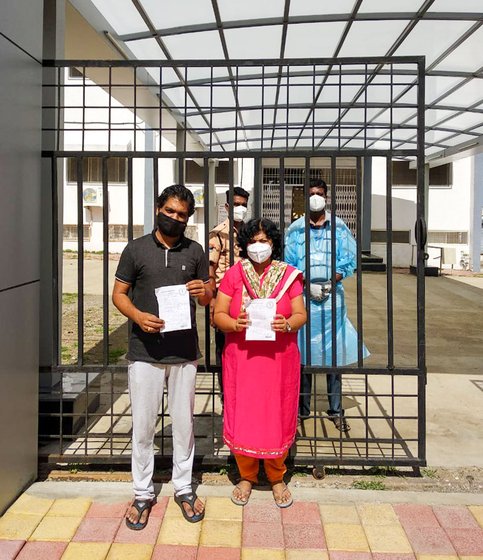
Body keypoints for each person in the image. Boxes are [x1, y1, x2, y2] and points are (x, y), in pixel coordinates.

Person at [112, 184, 213, 529]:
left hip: (184, 353)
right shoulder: (136, 249)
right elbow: (119, 294)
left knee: (184, 425)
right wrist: (138, 316)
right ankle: (142, 493)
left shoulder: (195, 251)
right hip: (144, 352)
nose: (174, 218)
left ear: (189, 218)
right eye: (169, 211)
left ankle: (184, 488)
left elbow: (207, 296)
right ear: (158, 208)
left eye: (182, 215)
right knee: (143, 427)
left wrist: (206, 291)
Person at [214, 218, 307, 508]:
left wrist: (288, 324)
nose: (258, 246)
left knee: (276, 414)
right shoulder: (234, 275)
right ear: (244, 244)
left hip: (279, 359)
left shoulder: (289, 275)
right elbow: (217, 314)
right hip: (242, 359)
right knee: (245, 413)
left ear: (273, 244)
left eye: (265, 240)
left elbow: (300, 315)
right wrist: (234, 321)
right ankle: (247, 475)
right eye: (253, 240)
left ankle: (277, 476)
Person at [284, 178, 369, 433]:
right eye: (311, 194)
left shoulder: (339, 228)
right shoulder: (295, 230)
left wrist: (332, 281)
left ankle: (335, 409)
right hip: (303, 297)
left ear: (326, 197)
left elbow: (350, 259)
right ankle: (301, 410)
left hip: (332, 300)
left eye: (319, 193)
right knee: (304, 356)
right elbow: (288, 262)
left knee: (333, 356)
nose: (315, 198)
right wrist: (305, 281)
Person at [208, 186, 250, 399]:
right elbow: (210, 269)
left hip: (247, 300)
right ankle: (227, 395)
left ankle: (243, 391)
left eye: (243, 205)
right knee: (224, 349)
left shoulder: (249, 233)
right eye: (236, 205)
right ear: (226, 206)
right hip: (225, 299)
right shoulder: (218, 233)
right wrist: (213, 301)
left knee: (245, 346)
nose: (240, 208)